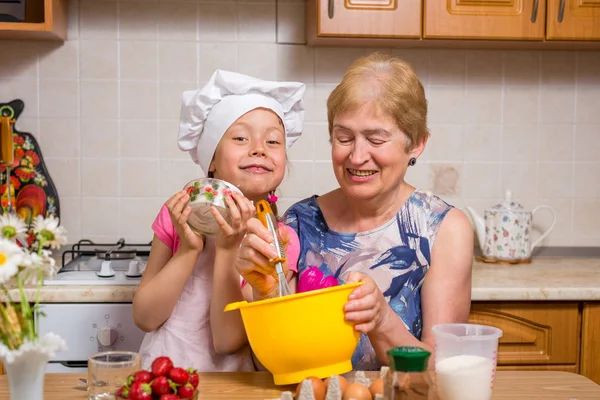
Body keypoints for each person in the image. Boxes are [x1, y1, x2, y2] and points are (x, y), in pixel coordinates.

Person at [234, 52, 474, 371]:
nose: (357, 156)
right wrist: (264, 293)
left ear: (416, 144)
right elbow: (275, 365)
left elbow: (443, 373)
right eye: (344, 137)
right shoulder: (299, 221)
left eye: (376, 139)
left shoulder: (443, 229)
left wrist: (383, 321)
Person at [132, 69, 305, 371]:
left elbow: (226, 342)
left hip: (231, 386)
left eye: (273, 142)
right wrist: (188, 249)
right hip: (163, 377)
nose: (259, 149)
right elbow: (145, 318)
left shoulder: (279, 239)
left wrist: (227, 251)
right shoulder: (178, 215)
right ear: (210, 158)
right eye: (240, 137)